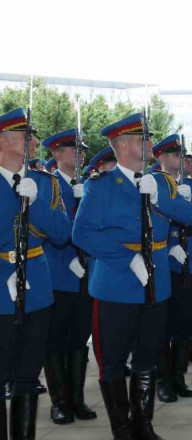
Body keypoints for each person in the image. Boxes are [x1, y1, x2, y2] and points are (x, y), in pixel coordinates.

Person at [74, 113, 192, 440]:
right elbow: (82, 233)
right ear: (123, 145)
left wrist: (160, 199)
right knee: (113, 361)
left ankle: (144, 424)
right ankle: (122, 429)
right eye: (142, 140)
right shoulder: (100, 186)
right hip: (116, 284)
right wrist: (128, 259)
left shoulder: (158, 182)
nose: (148, 145)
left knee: (147, 357)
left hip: (156, 284)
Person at [1, 109, 71, 440]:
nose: (32, 141)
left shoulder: (45, 183)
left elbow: (61, 233)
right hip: (1, 290)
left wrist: (37, 200)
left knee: (28, 375)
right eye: (22, 135)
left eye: (32, 135)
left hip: (38, 286)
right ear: (2, 142)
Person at [41, 129, 98, 425]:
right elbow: (47, 230)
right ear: (56, 154)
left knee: (79, 338)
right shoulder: (48, 186)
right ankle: (59, 402)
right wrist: (68, 260)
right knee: (55, 339)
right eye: (71, 149)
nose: (79, 154)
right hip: (59, 274)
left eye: (81, 149)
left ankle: (77, 399)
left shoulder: (89, 186)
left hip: (86, 273)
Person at [150, 134, 192, 404]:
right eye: (173, 154)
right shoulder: (153, 183)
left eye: (181, 155)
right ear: (160, 157)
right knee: (162, 325)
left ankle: (180, 375)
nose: (179, 159)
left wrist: (189, 204)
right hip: (164, 260)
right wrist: (172, 240)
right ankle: (163, 379)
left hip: (190, 260)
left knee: (184, 321)